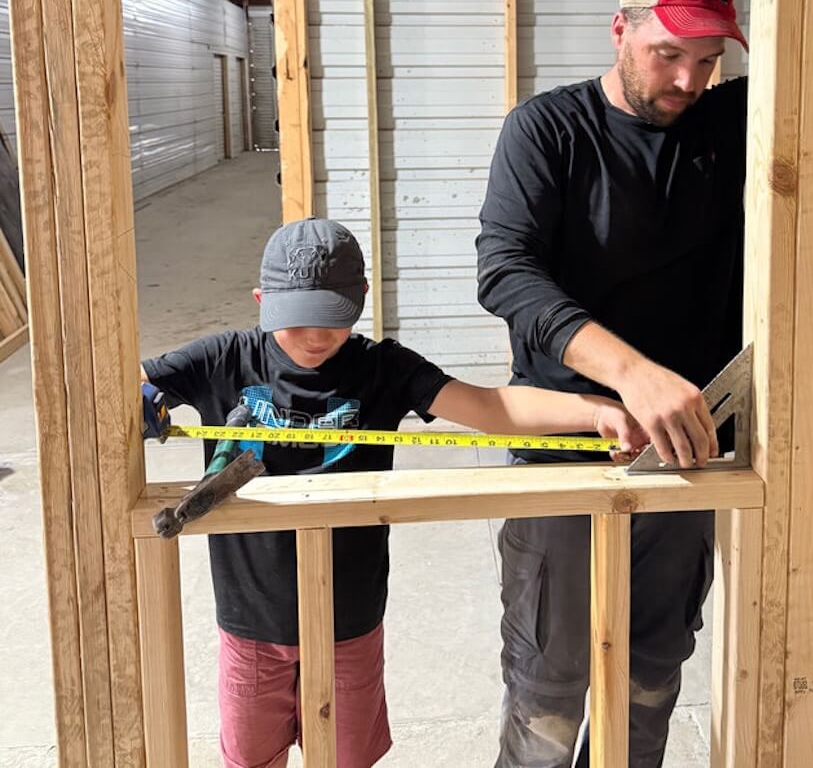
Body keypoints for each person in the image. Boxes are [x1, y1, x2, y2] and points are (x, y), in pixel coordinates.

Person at [141, 216, 648, 768]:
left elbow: (489, 407)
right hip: (249, 625)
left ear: (360, 298)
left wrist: (595, 410)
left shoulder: (383, 368)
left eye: (331, 321)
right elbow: (132, 380)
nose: (315, 338)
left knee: (346, 758)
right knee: (250, 758)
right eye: (297, 320)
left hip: (351, 622)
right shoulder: (224, 360)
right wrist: (139, 397)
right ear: (263, 301)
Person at [477, 0, 749, 767]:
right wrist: (632, 374)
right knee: (549, 689)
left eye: (707, 59)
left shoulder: (731, 122)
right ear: (619, 32)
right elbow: (506, 272)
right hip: (571, 446)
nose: (687, 82)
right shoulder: (549, 130)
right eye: (668, 54)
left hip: (691, 456)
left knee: (649, 677)